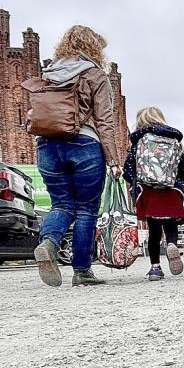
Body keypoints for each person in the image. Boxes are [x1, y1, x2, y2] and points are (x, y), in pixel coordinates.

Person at [32, 25, 122, 287]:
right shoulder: (95, 75)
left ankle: (49, 243)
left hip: (47, 145)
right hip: (84, 143)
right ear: (94, 48)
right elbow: (104, 121)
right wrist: (113, 160)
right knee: (85, 209)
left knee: (61, 204)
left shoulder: (48, 74)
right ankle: (82, 271)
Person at [123, 107, 184, 281]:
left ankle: (155, 268)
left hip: (149, 192)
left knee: (154, 232)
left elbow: (128, 171)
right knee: (171, 226)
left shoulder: (139, 142)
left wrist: (137, 182)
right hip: (171, 191)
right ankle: (172, 244)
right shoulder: (174, 141)